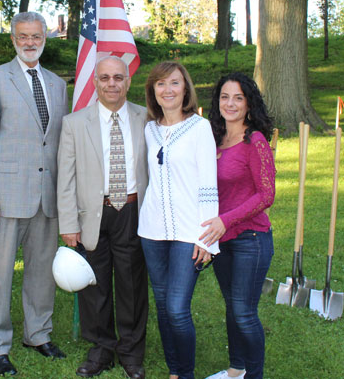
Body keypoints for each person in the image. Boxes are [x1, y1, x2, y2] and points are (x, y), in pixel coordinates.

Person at [0, 11, 69, 377]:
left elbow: (58, 142)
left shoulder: (58, 84)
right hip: (7, 194)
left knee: (42, 272)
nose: (30, 42)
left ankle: (38, 333)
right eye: (22, 36)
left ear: (46, 37)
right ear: (12, 39)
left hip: (47, 197)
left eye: (36, 35)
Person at [57, 56, 148, 379]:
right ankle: (101, 348)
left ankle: (131, 351)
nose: (112, 84)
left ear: (128, 81)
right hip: (91, 214)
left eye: (118, 78)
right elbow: (65, 178)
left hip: (134, 212)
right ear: (94, 82)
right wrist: (68, 223)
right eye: (105, 78)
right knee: (93, 285)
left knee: (132, 284)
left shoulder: (145, 118)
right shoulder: (75, 123)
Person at [138, 61, 219, 379]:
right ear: (152, 91)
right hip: (152, 231)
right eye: (160, 84)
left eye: (174, 83)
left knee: (177, 308)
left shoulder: (200, 128)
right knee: (161, 304)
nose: (167, 90)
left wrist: (207, 238)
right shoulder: (149, 129)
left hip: (190, 232)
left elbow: (208, 183)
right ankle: (174, 371)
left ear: (185, 88)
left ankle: (185, 373)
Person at [200, 73, 275, 379]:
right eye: (225, 97)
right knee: (232, 308)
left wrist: (225, 220)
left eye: (238, 98)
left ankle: (254, 376)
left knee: (244, 313)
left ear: (248, 104)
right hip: (222, 240)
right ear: (217, 102)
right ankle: (236, 369)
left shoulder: (254, 141)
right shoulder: (213, 138)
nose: (230, 104)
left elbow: (266, 195)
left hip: (251, 238)